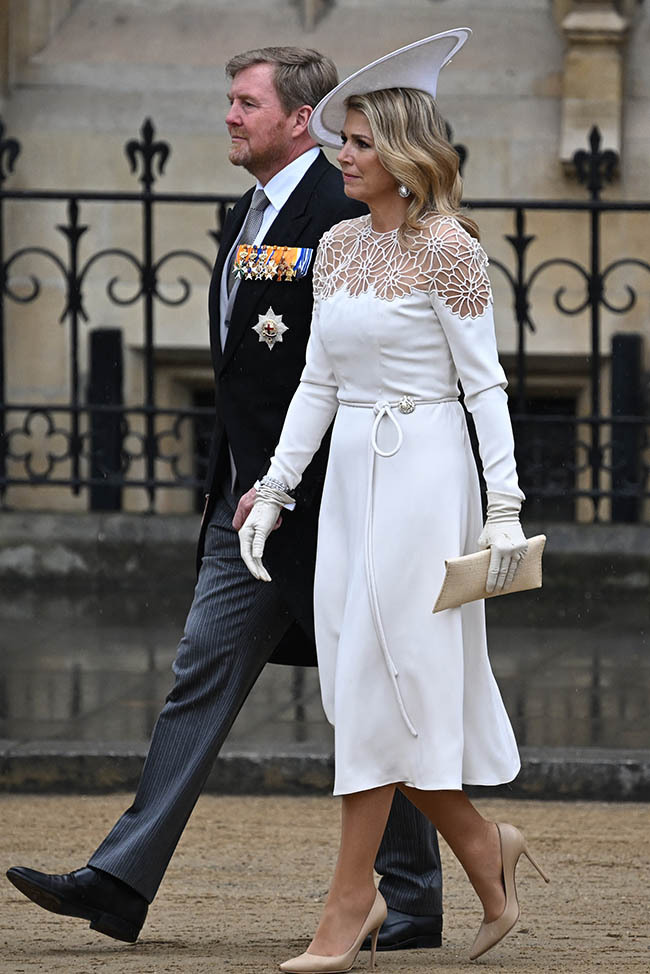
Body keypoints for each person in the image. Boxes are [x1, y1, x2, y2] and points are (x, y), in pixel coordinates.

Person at [6, 46, 444, 952]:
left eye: (247, 103)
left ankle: (424, 890)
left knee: (368, 703)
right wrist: (244, 484)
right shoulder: (250, 211)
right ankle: (119, 881)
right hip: (248, 507)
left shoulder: (343, 211)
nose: (231, 115)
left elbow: (352, 369)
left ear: (299, 118)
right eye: (230, 100)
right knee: (203, 678)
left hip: (331, 507)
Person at [238, 30, 551, 972]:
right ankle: (485, 853)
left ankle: (348, 903)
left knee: (389, 682)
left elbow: (485, 386)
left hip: (427, 474)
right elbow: (318, 387)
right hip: (352, 486)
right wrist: (276, 489)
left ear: (406, 153)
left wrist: (503, 508)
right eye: (345, 139)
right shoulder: (335, 246)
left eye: (363, 141)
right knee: (364, 686)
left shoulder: (449, 248)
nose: (345, 154)